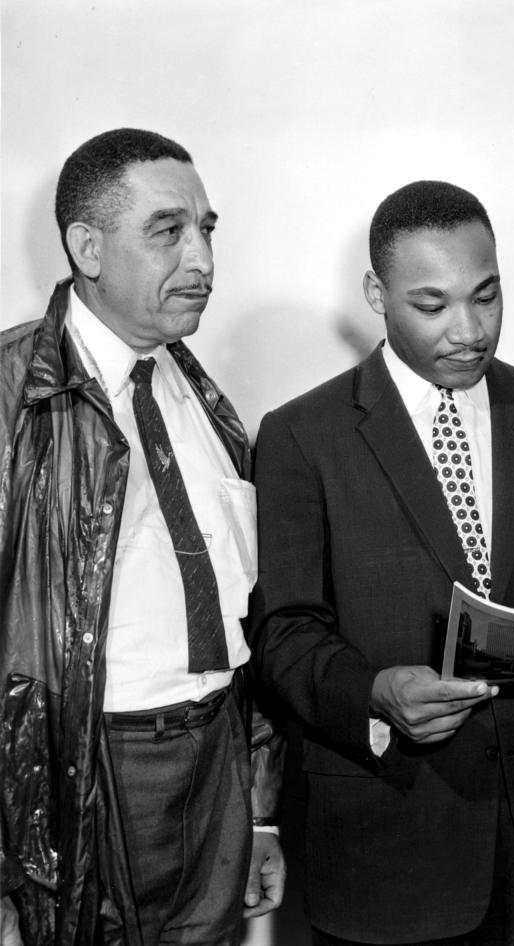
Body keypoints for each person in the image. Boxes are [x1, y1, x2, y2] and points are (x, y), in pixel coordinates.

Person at [251, 180, 514, 945]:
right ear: (377, 294)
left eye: (486, 297)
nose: (468, 330)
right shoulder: (302, 436)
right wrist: (374, 692)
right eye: (432, 306)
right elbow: (285, 634)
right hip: (382, 851)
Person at [0, 128, 285, 946]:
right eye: (169, 231)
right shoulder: (11, 398)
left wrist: (260, 811)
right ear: (87, 247)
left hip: (217, 761)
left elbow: (245, 607)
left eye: (207, 229)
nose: (201, 258)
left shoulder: (197, 391)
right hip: (86, 773)